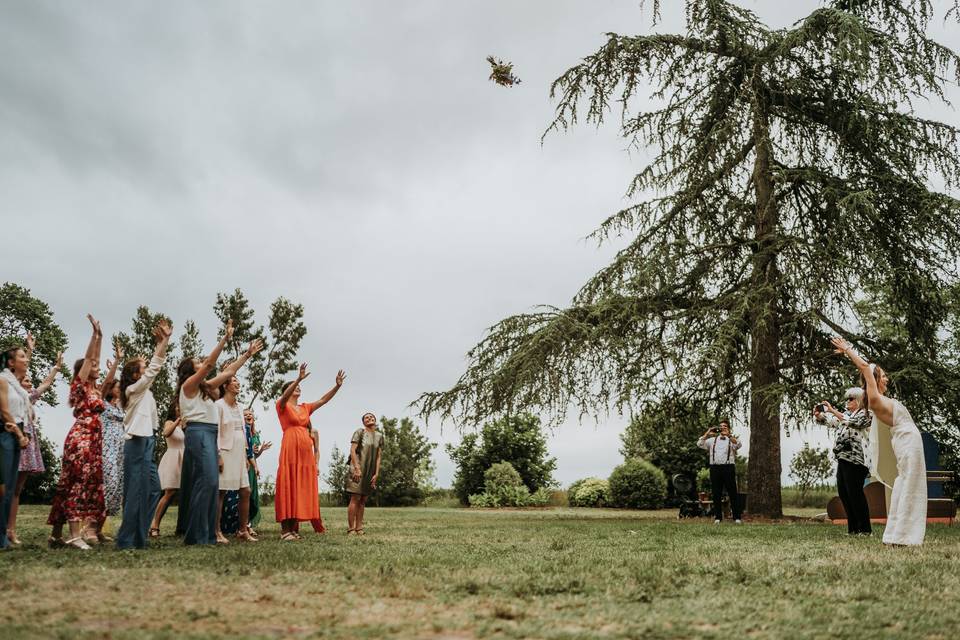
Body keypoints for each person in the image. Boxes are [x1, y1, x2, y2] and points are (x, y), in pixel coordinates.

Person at [832, 337, 927, 546]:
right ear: (873, 379)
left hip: (906, 440)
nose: (887, 379)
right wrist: (848, 349)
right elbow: (865, 366)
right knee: (910, 484)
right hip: (907, 440)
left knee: (906, 483)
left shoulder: (880, 399)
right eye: (883, 376)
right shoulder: (873, 397)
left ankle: (898, 533)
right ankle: (903, 535)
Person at [176, 320, 262, 545]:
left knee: (210, 484)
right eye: (197, 363)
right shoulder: (188, 387)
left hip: (209, 434)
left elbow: (229, 371)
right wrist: (225, 339)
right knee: (207, 484)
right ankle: (198, 534)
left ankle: (202, 533)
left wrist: (247, 354)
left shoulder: (205, 389)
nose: (201, 364)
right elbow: (210, 364)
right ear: (190, 371)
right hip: (198, 433)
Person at [47, 314, 106, 550]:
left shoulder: (94, 388)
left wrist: (101, 336)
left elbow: (96, 357)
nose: (97, 366)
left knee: (69, 484)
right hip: (80, 438)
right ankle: (73, 536)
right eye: (93, 365)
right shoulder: (79, 387)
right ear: (83, 370)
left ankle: (55, 535)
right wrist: (93, 336)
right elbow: (91, 357)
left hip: (93, 439)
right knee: (77, 485)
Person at [116, 320, 172, 549]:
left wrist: (161, 344)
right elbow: (154, 369)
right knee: (135, 492)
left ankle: (139, 536)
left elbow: (152, 369)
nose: (147, 366)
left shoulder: (143, 391)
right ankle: (126, 540)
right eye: (143, 366)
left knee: (153, 490)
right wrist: (165, 341)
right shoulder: (132, 390)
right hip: (136, 442)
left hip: (147, 441)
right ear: (134, 375)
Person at [275, 363, 345, 541]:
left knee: (299, 486)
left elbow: (323, 400)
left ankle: (293, 529)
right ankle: (285, 531)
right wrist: (298, 377)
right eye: (294, 386)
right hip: (290, 446)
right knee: (289, 483)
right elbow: (283, 398)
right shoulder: (281, 405)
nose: (298, 388)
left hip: (305, 452)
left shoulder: (305, 407)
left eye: (299, 386)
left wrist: (336, 386)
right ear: (287, 390)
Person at [6, 349, 61, 546]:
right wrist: (28, 349)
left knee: (17, 489)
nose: (29, 382)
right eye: (26, 380)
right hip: (12, 437)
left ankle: (10, 529)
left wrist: (56, 368)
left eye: (31, 380)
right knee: (7, 486)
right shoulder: (10, 390)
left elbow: (45, 384)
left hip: (27, 442)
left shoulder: (29, 398)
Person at [814, 388, 872, 536]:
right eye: (847, 399)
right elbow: (833, 422)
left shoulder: (866, 414)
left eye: (850, 399)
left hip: (857, 460)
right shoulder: (845, 414)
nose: (847, 402)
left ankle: (865, 529)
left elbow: (853, 423)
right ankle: (853, 529)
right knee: (844, 493)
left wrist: (832, 410)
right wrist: (820, 416)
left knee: (855, 494)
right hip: (843, 458)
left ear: (859, 400)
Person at [214, 375, 256, 543]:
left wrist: (246, 455)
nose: (238, 383)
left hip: (239, 453)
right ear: (225, 385)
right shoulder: (218, 406)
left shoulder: (240, 407)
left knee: (245, 490)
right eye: (234, 381)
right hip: (225, 452)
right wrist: (218, 455)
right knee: (221, 492)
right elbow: (215, 432)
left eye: (238, 381)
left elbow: (243, 432)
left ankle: (242, 530)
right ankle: (216, 532)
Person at [0, 343, 33, 549]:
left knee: (11, 487)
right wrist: (19, 434)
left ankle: (3, 534)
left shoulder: (17, 385)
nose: (26, 359)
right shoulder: (2, 380)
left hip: (16, 435)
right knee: (2, 487)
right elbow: (4, 411)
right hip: (5, 434)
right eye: (22, 356)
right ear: (11, 363)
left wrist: (24, 434)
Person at [98, 345, 125, 539]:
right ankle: (92, 524)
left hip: (121, 448)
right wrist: (116, 363)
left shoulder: (122, 406)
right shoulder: (103, 404)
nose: (119, 388)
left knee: (118, 486)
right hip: (107, 446)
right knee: (110, 481)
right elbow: (106, 382)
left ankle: (101, 526)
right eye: (117, 386)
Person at [696, 420, 743, 524]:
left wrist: (729, 435)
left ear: (728, 428)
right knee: (716, 493)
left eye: (724, 426)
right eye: (720, 426)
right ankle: (718, 517)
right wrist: (707, 433)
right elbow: (699, 443)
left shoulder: (731, 439)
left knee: (732, 493)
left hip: (728, 467)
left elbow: (739, 445)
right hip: (715, 468)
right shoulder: (712, 440)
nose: (722, 428)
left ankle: (737, 517)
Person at [346, 412, 383, 536]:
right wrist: (356, 468)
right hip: (357, 469)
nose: (369, 418)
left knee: (363, 499)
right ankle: (351, 528)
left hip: (370, 471)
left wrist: (376, 473)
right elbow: (352, 450)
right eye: (366, 418)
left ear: (375, 420)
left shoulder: (379, 436)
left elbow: (378, 456)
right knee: (355, 498)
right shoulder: (359, 432)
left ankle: (359, 528)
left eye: (371, 417)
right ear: (363, 422)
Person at [151, 402, 183, 537]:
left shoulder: (186, 425)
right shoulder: (169, 422)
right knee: (169, 492)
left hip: (184, 458)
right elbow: (166, 433)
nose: (180, 409)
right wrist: (178, 421)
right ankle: (154, 525)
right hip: (173, 457)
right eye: (178, 407)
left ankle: (182, 528)